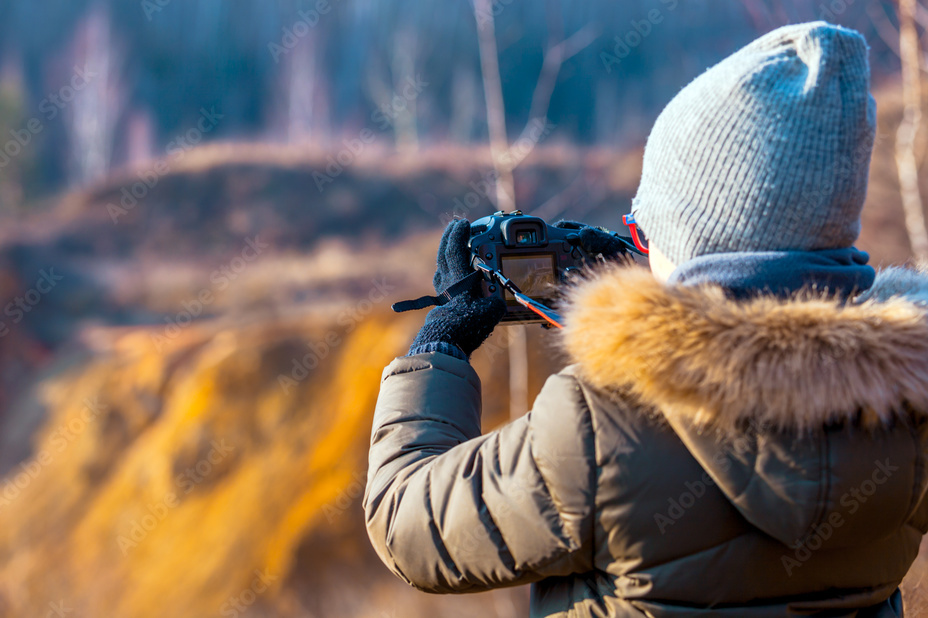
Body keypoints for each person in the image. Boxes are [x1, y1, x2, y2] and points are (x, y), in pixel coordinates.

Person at [363, 21, 928, 617]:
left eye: (644, 231)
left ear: (690, 245)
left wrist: (440, 347)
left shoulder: (600, 429)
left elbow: (408, 524)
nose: (635, 245)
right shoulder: (909, 409)